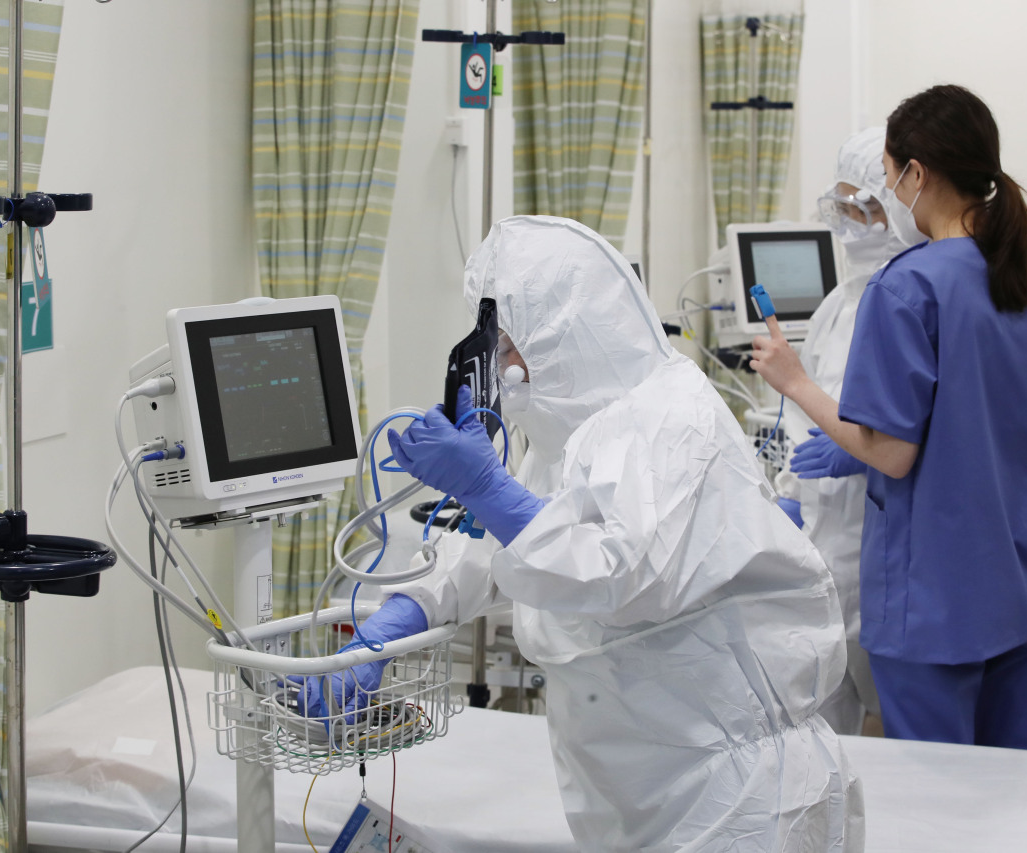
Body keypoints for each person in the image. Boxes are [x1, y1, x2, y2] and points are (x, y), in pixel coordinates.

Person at [313, 216, 863, 852]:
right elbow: (501, 543)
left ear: (561, 334)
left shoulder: (671, 418)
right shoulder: (571, 432)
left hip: (735, 796)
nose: (497, 361)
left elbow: (619, 576)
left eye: (504, 340)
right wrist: (398, 619)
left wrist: (485, 488)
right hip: (638, 785)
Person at [749, 85, 1027, 752]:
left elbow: (892, 452)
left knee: (940, 806)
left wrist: (796, 384)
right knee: (1023, 791)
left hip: (939, 598)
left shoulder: (908, 286)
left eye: (890, 179)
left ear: (915, 175)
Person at [777, 126, 926, 736]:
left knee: (901, 711)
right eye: (841, 209)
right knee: (822, 707)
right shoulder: (838, 302)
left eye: (863, 208)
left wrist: (860, 455)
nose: (850, 226)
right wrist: (788, 487)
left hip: (884, 532)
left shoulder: (918, 291)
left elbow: (928, 422)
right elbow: (797, 405)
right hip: (823, 535)